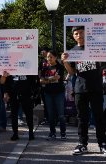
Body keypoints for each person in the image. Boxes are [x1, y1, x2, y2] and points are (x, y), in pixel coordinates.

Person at [61, 26, 106, 155]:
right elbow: (73, 72)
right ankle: (82, 144)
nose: (79, 35)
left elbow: (102, 65)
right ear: (73, 36)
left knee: (99, 117)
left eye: (81, 32)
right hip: (80, 89)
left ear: (86, 33)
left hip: (96, 87)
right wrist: (65, 62)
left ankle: (102, 143)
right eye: (76, 33)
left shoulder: (97, 48)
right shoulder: (73, 51)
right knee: (82, 118)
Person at [40, 50, 66, 140]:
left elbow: (58, 78)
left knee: (61, 114)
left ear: (55, 57)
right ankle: (52, 132)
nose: (49, 58)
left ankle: (63, 133)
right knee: (50, 114)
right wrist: (51, 79)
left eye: (51, 56)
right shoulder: (44, 68)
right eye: (48, 57)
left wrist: (46, 80)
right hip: (48, 93)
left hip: (59, 93)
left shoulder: (60, 67)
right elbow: (41, 80)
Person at [4, 75, 36, 141]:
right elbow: (7, 81)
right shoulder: (12, 66)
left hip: (26, 93)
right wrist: (6, 92)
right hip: (13, 94)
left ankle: (31, 133)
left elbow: (33, 78)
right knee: (14, 115)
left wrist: (33, 92)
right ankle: (15, 133)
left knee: (29, 114)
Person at [38, 46, 50, 125]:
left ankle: (52, 118)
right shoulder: (41, 61)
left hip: (51, 83)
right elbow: (39, 71)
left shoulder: (52, 60)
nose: (42, 53)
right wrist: (40, 79)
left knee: (50, 102)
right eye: (41, 51)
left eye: (43, 51)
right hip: (43, 83)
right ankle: (46, 118)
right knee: (45, 102)